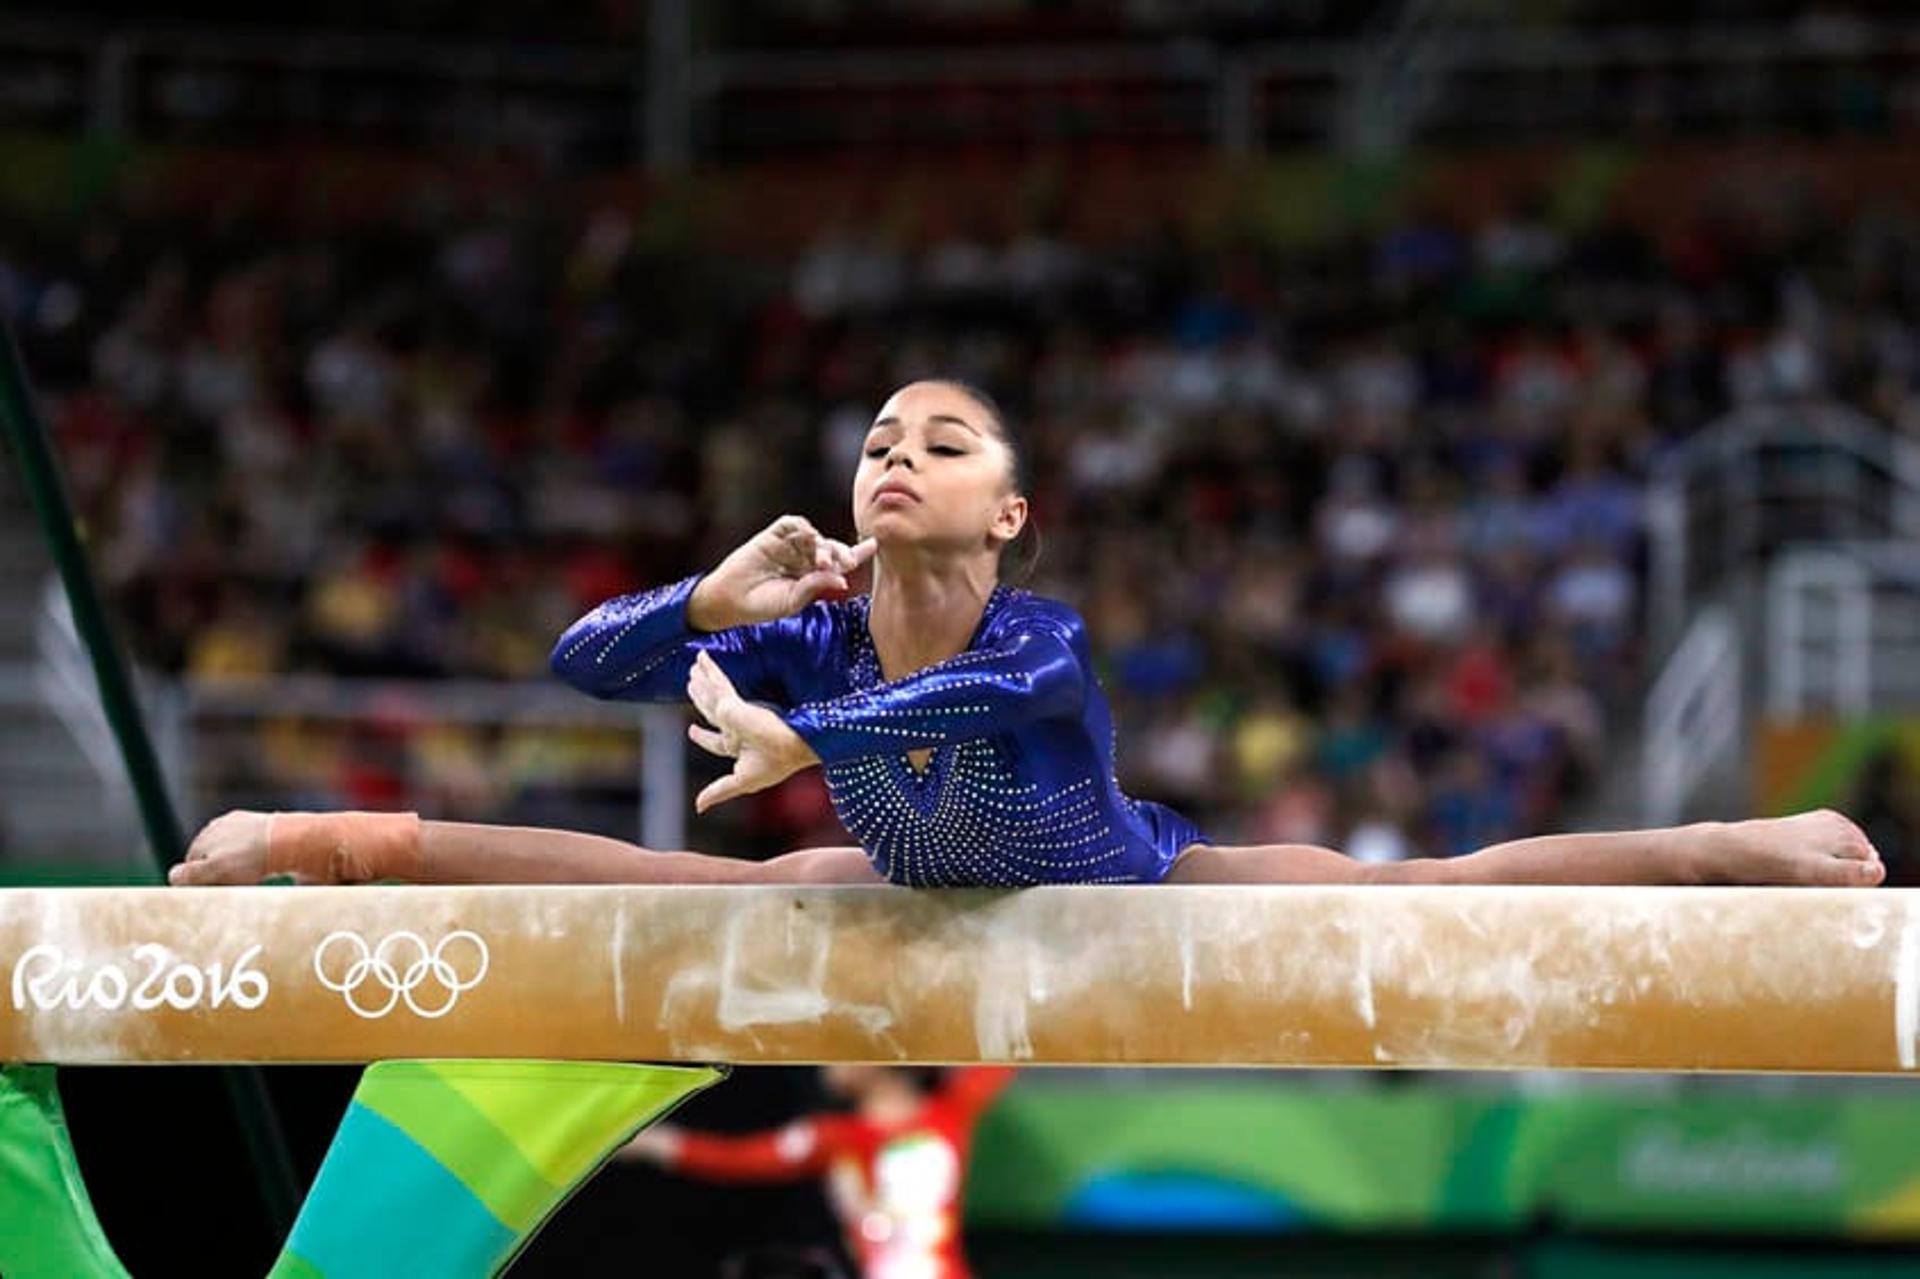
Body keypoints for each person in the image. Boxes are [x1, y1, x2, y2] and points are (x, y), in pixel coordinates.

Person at [171, 380, 1884, 889]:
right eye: (874, 440)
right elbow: (573, 666)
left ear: (1008, 513)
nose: (896, 453)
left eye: (947, 440)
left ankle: (1729, 836)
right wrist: (707, 604)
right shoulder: (815, 633)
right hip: (911, 899)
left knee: (1409, 898)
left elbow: (990, 698)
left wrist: (804, 739)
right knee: (692, 891)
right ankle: (324, 835)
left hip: (1123, 891)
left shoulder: (1043, 632)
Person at [620, 1067, 1013, 1279]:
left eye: (844, 1049)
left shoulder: (948, 1115)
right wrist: (660, 1145)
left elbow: (1009, 1048)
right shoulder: (836, 1139)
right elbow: (742, 1158)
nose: (827, 1059)